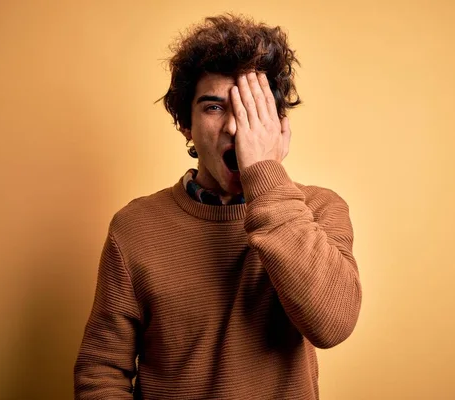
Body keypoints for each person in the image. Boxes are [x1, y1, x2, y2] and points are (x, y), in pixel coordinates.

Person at [74, 13, 362, 400]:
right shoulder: (134, 227)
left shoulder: (319, 208)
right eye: (214, 107)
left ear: (278, 125)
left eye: (252, 110)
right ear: (185, 124)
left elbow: (333, 324)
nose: (233, 127)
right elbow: (102, 370)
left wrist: (264, 173)